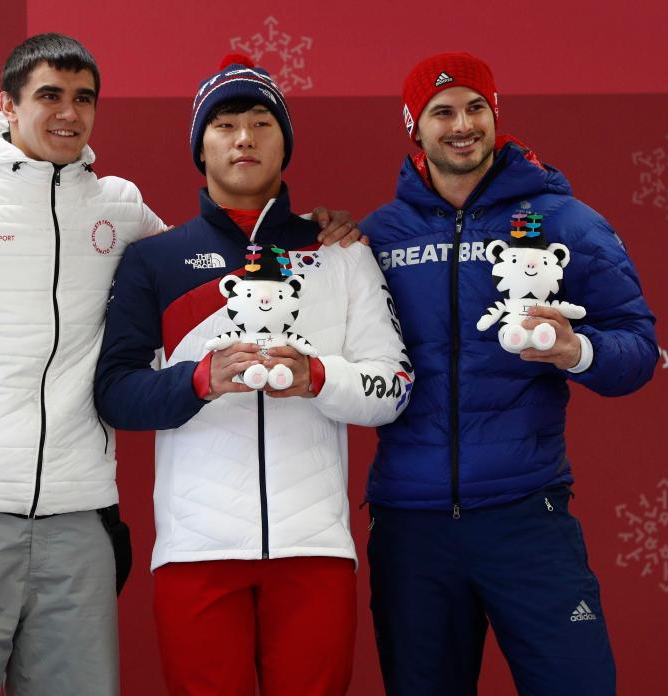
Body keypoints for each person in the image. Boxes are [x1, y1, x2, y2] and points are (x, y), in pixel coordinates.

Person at [0, 34, 358, 696]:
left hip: (80, 518)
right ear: (8, 105)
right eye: (49, 96)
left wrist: (306, 235)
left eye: (84, 98)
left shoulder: (118, 208)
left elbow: (208, 261)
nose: (69, 113)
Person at [94, 55, 413, 696]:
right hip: (195, 553)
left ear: (284, 142)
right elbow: (115, 395)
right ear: (201, 146)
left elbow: (394, 388)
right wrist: (198, 381)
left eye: (262, 122)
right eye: (226, 124)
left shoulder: (341, 252)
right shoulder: (154, 260)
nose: (244, 138)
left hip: (315, 552)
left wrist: (318, 378)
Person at [360, 52, 658, 696]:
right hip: (412, 526)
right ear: (416, 126)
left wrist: (579, 351)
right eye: (442, 112)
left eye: (476, 108)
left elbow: (638, 346)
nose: (462, 125)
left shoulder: (568, 222)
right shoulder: (377, 237)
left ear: (496, 116)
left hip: (527, 513)